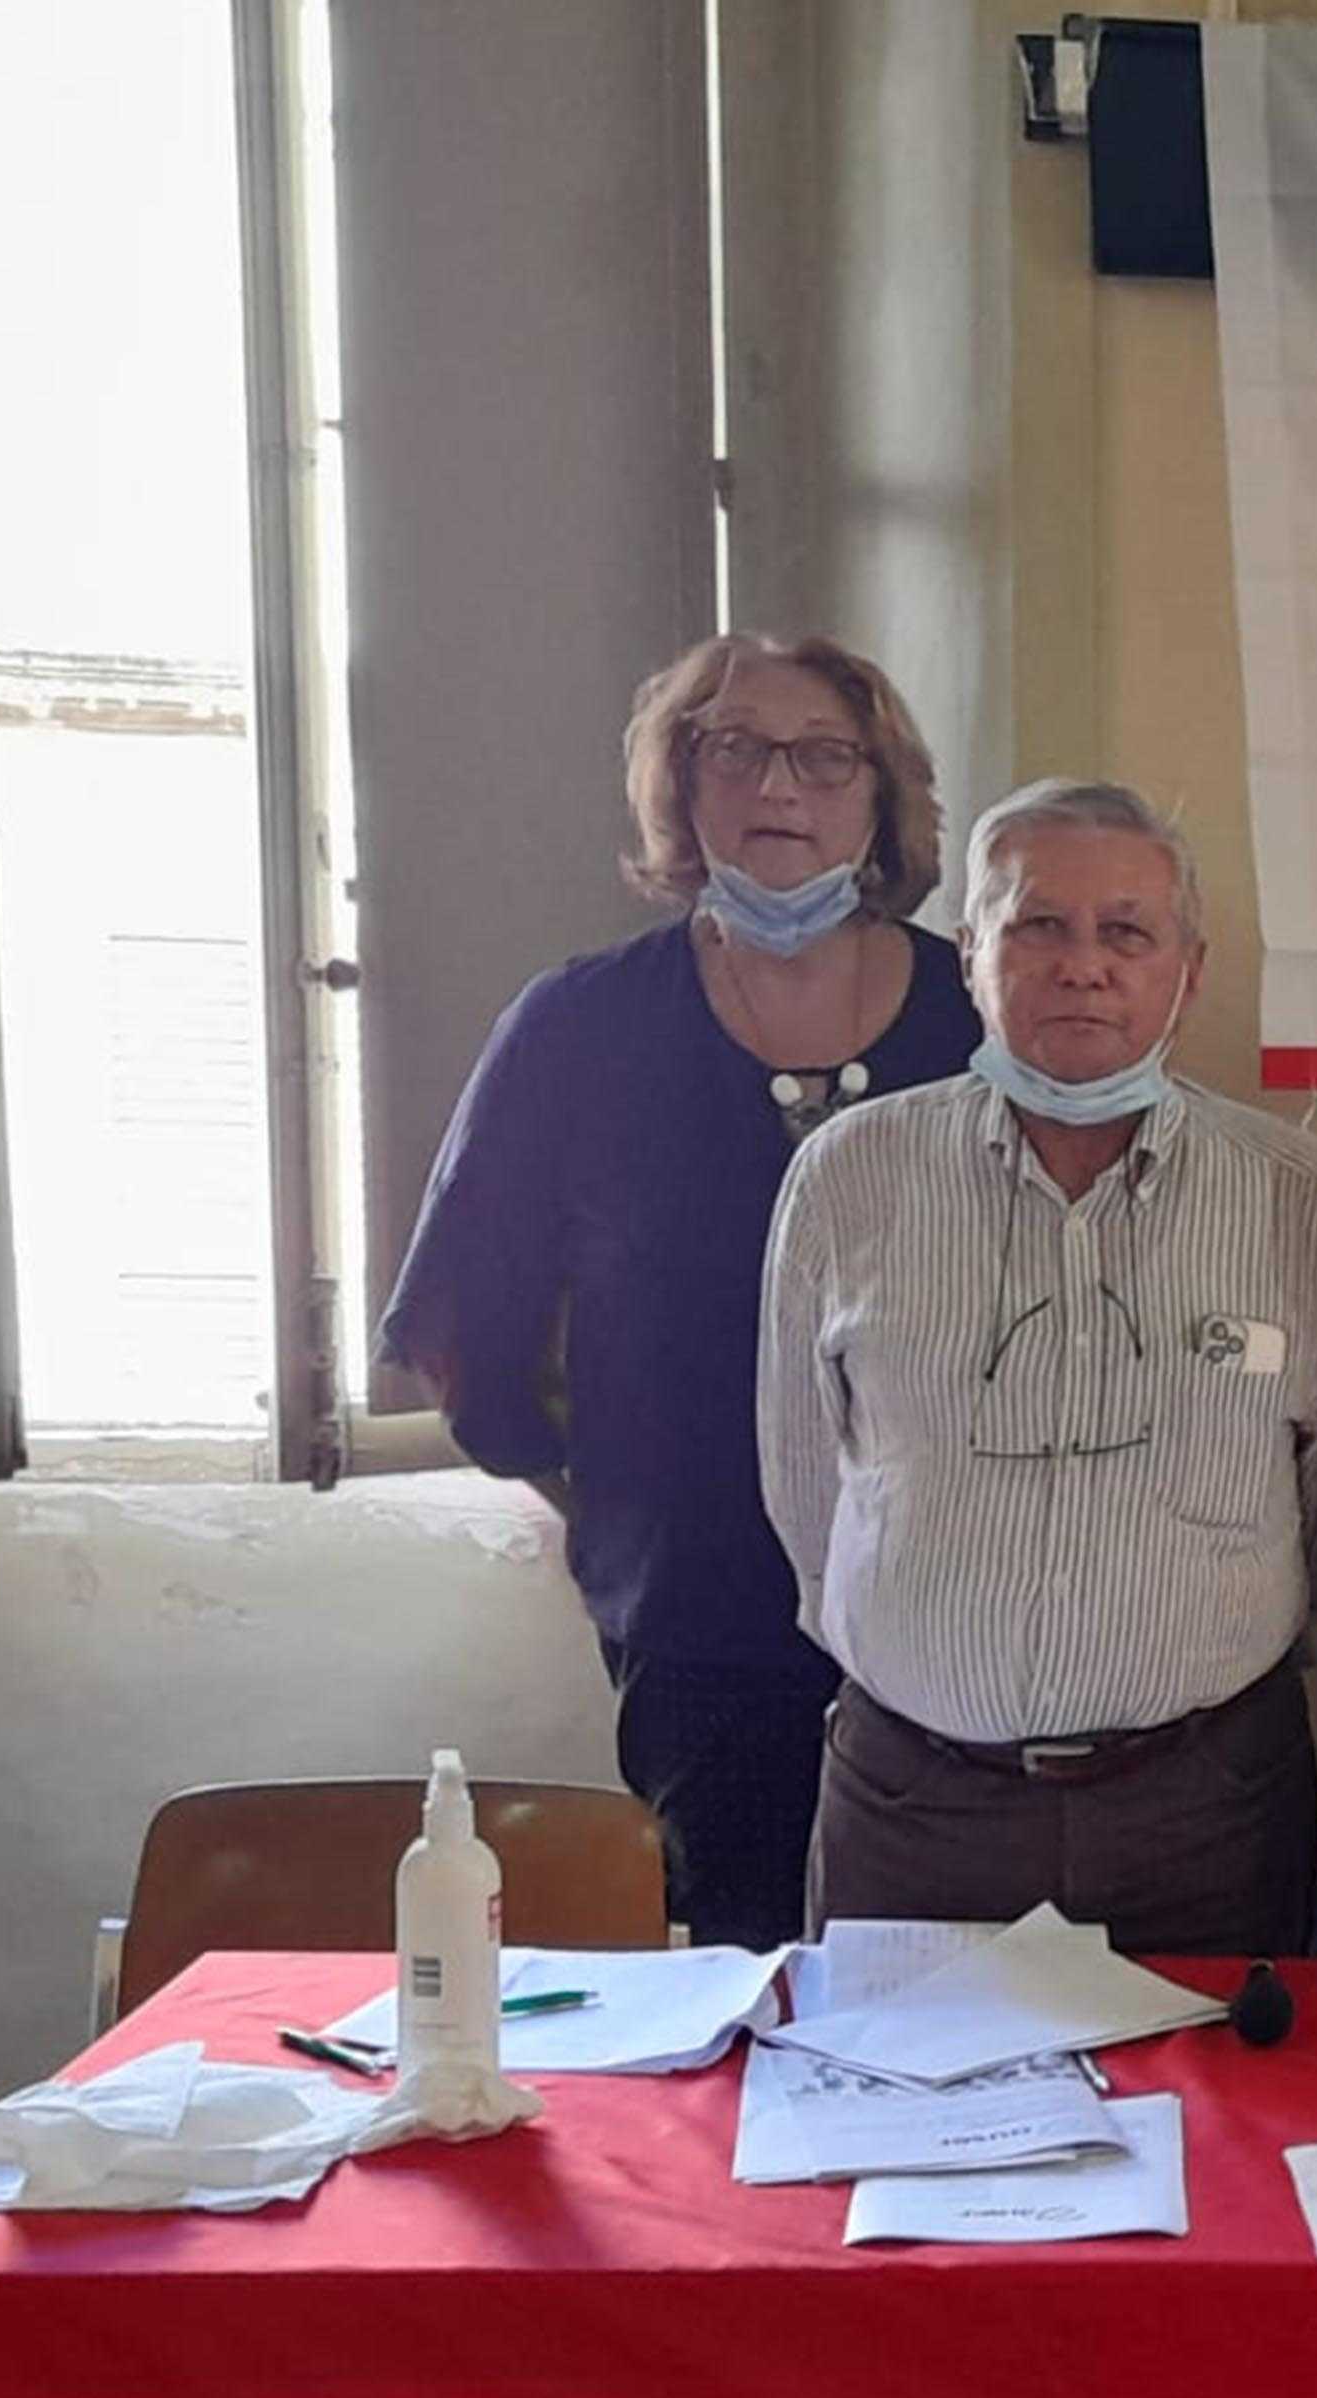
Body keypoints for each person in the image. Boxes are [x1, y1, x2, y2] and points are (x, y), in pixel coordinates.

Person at [379, 634, 978, 1954]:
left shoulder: (976, 1022)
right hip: (705, 1633)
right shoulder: (579, 1028)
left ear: (880, 794)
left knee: (952, 2002)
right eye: (734, 749)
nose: (780, 785)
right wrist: (625, 1514)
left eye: (825, 755)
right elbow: (463, 1331)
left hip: (957, 1630)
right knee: (747, 1989)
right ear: (680, 784)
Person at [757, 779, 1317, 1950]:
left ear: (1188, 972)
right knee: (885, 2076)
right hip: (914, 1806)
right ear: (971, 955)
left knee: (1220, 2078)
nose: (1083, 967)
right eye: (1039, 925)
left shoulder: (1313, 1210)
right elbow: (808, 1489)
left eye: (1127, 933)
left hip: (1205, 1811)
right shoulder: (848, 1178)